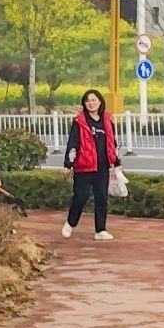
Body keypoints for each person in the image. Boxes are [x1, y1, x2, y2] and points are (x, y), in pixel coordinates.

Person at [61, 88, 119, 240]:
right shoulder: (79, 122)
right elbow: (73, 143)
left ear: (100, 102)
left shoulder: (107, 120)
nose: (91, 103)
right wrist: (68, 164)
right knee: (81, 197)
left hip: (102, 166)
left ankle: (100, 230)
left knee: (102, 198)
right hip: (84, 167)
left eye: (93, 100)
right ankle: (70, 223)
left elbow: (112, 143)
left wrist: (116, 162)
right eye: (87, 101)